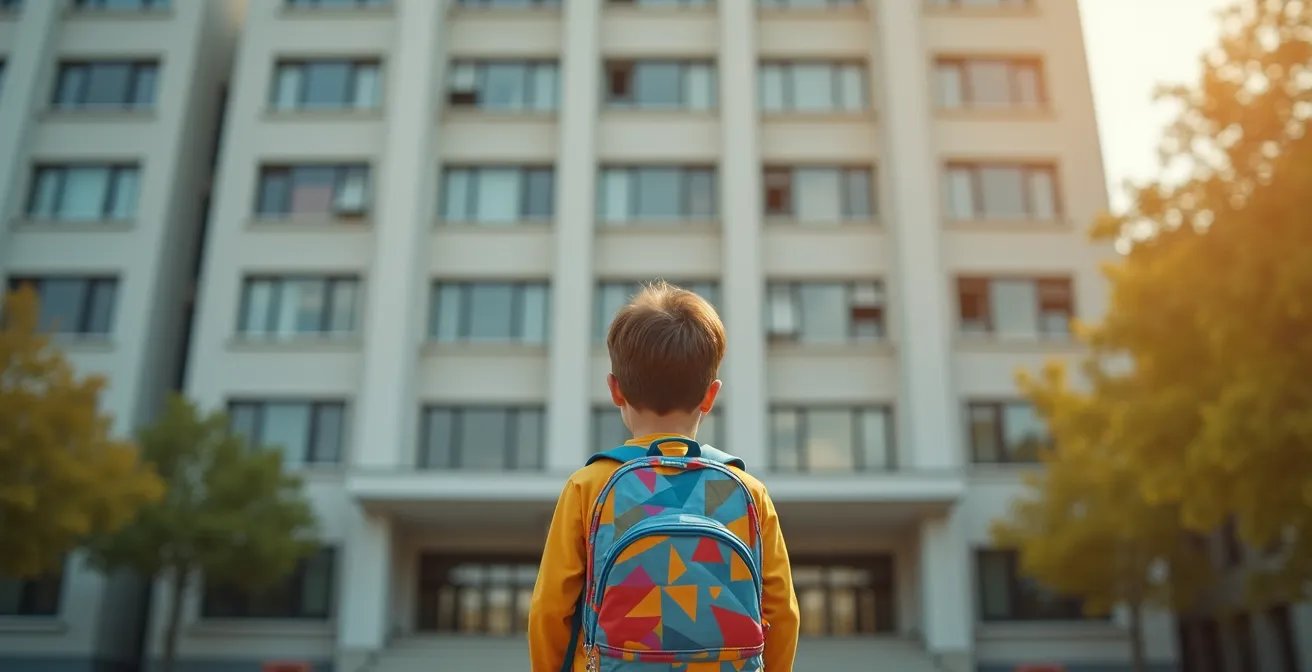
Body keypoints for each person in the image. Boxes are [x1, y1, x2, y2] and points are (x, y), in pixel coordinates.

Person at [528, 281, 800, 672]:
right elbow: (781, 610)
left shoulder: (589, 485)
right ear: (711, 395)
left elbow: (550, 609)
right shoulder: (749, 492)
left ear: (615, 390)